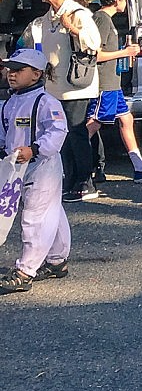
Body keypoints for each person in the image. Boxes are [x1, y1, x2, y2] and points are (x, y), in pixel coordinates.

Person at [28, 0, 103, 202]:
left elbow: (94, 44)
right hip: (54, 84)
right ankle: (69, 179)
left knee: (75, 133)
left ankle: (85, 181)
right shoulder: (48, 18)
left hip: (76, 85)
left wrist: (73, 30)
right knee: (60, 133)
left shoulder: (78, 13)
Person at [0, 49, 70, 293]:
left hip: (42, 166)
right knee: (52, 210)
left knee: (35, 217)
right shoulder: (10, 102)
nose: (12, 74)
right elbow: (6, 131)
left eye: (19, 70)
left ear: (36, 74)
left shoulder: (46, 102)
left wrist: (35, 149)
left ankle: (25, 271)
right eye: (10, 69)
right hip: (18, 167)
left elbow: (58, 131)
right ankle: (57, 260)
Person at [85, 0, 142, 188]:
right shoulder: (101, 20)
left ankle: (140, 168)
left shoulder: (105, 19)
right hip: (105, 84)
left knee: (127, 119)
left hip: (114, 83)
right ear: (118, 0)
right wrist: (125, 52)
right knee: (92, 125)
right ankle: (67, 161)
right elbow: (95, 54)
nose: (125, 4)